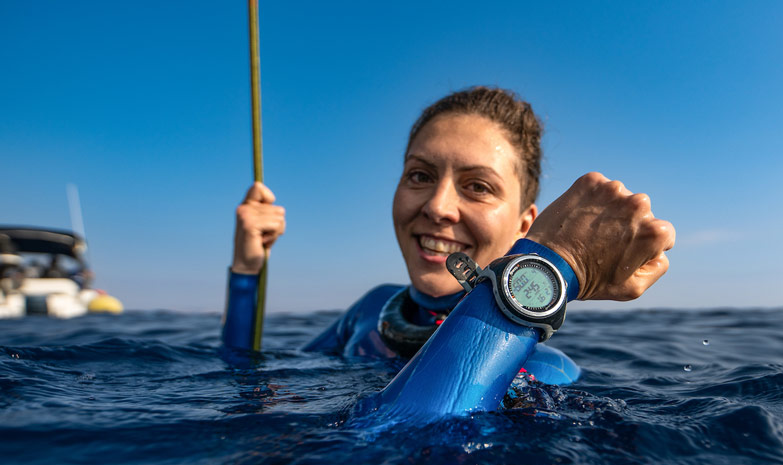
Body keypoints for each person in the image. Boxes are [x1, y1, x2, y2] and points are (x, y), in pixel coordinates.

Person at [222, 87, 675, 413]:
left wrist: (557, 262)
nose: (437, 207)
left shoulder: (543, 369)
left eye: (477, 187)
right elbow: (244, 380)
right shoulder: (371, 309)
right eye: (419, 175)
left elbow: (408, 435)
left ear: (525, 225)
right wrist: (247, 269)